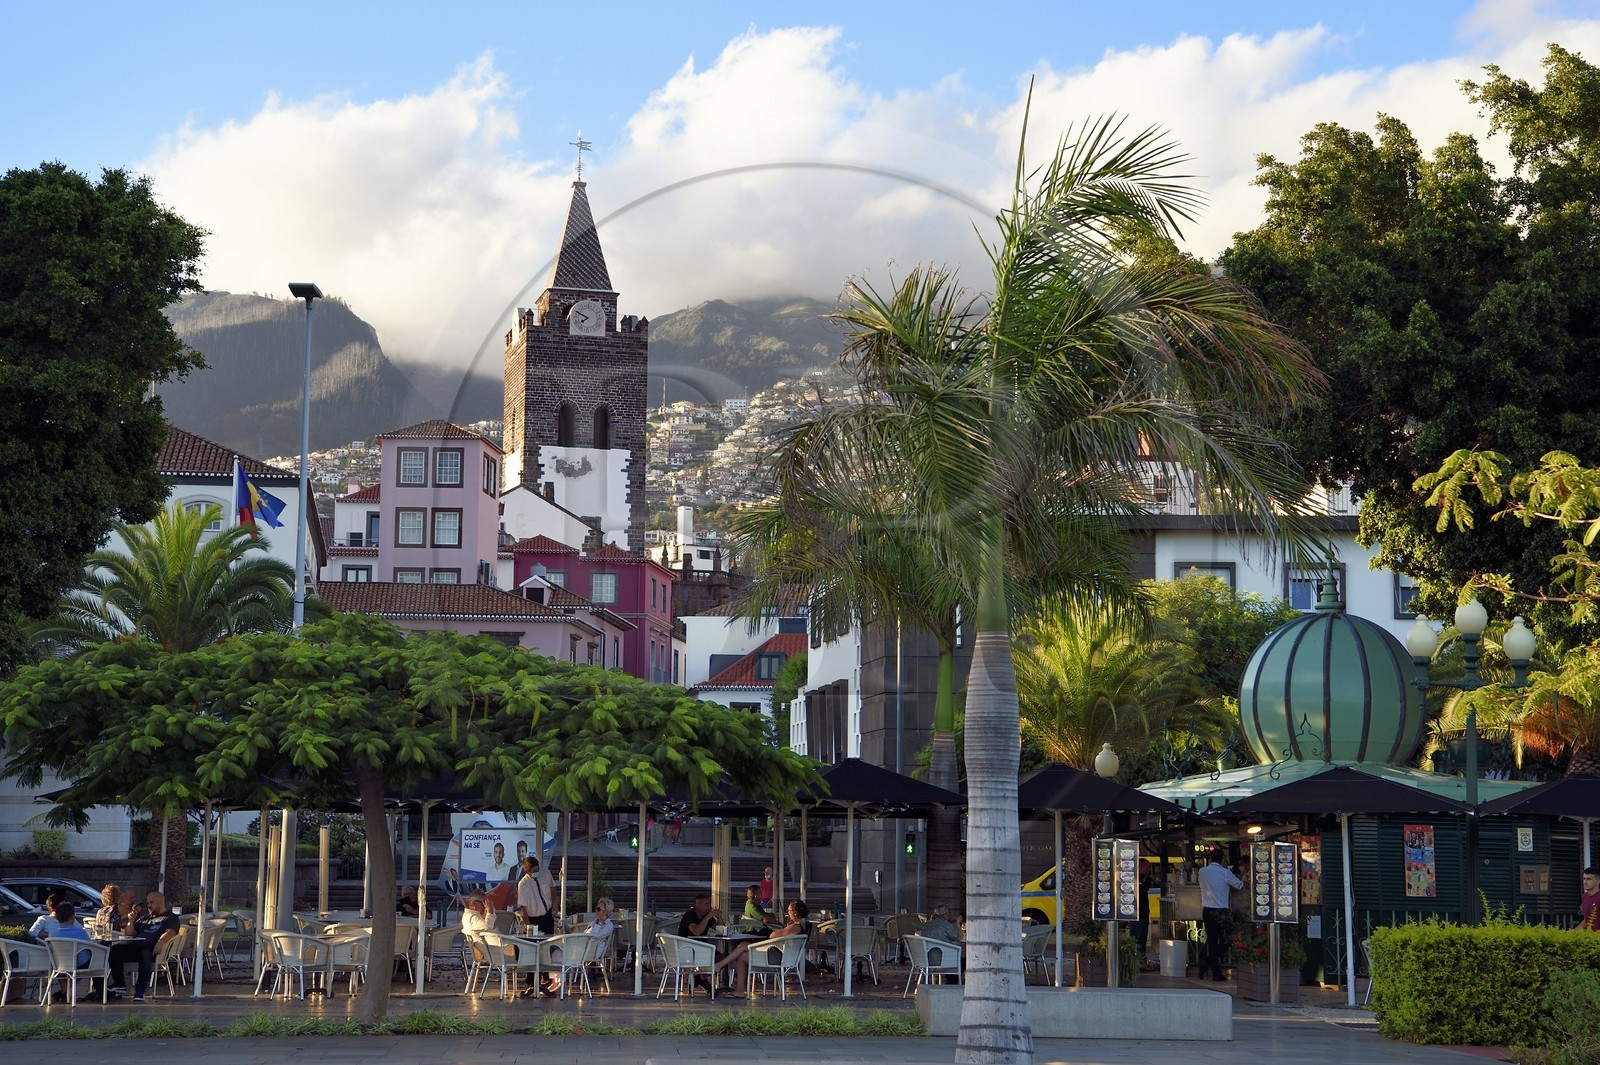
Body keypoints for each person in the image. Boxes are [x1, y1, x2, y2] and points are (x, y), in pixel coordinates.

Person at [712, 898, 811, 996]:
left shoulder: (795, 927)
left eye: (789, 910)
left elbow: (774, 936)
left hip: (778, 958)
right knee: (742, 956)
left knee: (743, 945)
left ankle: (720, 966)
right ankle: (739, 990)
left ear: (795, 912)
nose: (788, 913)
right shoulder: (799, 926)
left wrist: (777, 931)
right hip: (781, 956)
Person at [107, 890, 179, 1001]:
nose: (148, 906)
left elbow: (171, 931)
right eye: (148, 903)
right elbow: (130, 933)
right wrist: (131, 920)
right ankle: (119, 983)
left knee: (145, 953)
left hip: (153, 950)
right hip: (135, 948)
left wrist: (161, 941)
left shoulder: (170, 917)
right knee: (115, 950)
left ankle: (140, 991)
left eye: (151, 903)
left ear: (159, 903)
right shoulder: (144, 919)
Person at [543, 897, 617, 996]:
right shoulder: (593, 922)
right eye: (596, 908)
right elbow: (585, 934)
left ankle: (559, 980)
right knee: (553, 948)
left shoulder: (608, 925)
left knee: (557, 952)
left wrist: (599, 924)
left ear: (606, 912)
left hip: (592, 952)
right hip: (582, 948)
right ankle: (556, 979)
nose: (596, 911)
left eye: (598, 909)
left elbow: (593, 936)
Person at [1198, 849, 1243, 981]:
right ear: (1222, 859)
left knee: (1211, 941)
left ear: (1211, 858)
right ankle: (1211, 966)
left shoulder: (1202, 871)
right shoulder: (1225, 873)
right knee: (1228, 939)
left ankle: (1211, 966)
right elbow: (1239, 885)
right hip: (1221, 911)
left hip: (1207, 910)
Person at [514, 855, 555, 935]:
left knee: (550, 941)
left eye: (538, 869)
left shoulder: (546, 873)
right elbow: (523, 907)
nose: (537, 872)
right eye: (535, 871)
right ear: (528, 872)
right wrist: (528, 924)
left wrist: (555, 903)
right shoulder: (523, 884)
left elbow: (552, 889)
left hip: (547, 915)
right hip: (533, 918)